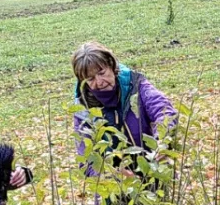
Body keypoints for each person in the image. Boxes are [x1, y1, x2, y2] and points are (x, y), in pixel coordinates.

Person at [71, 42, 179, 178]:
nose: (99, 82)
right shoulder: (83, 108)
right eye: (90, 79)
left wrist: (163, 141)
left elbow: (163, 110)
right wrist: (111, 175)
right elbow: (86, 161)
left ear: (111, 66)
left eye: (102, 73)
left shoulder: (135, 84)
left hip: (154, 168)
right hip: (113, 186)